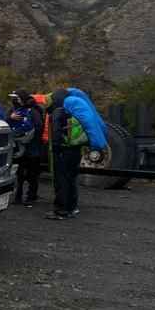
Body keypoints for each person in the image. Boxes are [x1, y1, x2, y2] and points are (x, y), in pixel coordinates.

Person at [45, 87, 108, 219]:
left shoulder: (58, 111)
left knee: (61, 180)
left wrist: (55, 147)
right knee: (72, 178)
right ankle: (72, 208)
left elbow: (56, 132)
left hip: (63, 150)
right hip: (75, 149)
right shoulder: (72, 111)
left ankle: (60, 210)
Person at [7, 89, 45, 206]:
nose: (14, 100)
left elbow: (39, 127)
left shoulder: (32, 111)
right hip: (21, 147)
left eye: (16, 97)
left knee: (31, 174)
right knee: (19, 173)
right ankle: (20, 196)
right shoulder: (14, 111)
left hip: (30, 148)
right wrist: (10, 118)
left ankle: (31, 196)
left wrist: (29, 140)